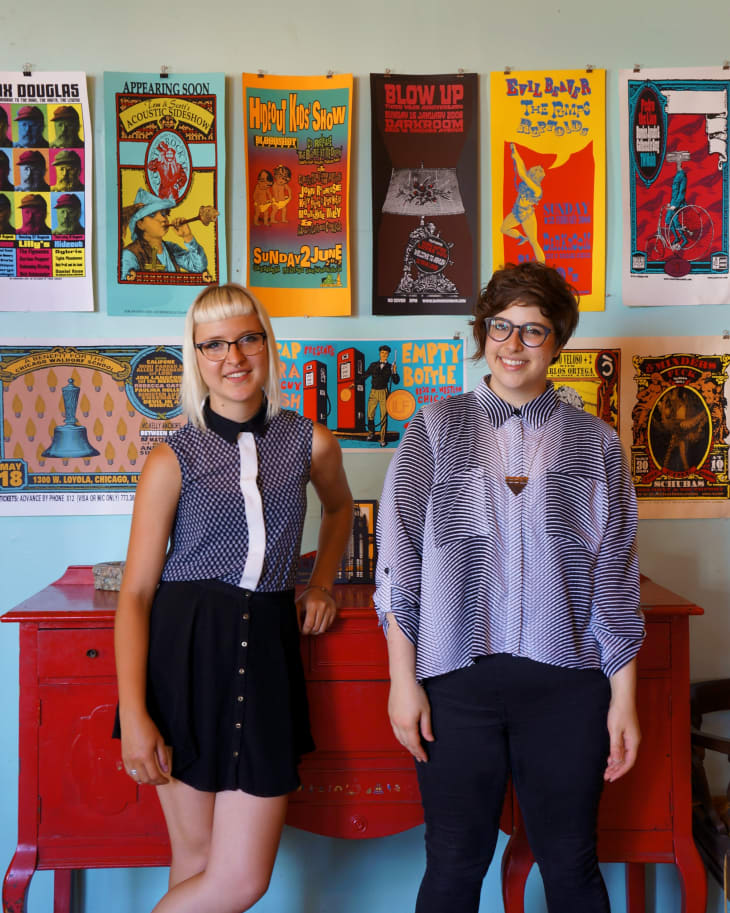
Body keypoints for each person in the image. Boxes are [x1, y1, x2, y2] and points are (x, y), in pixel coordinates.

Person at [375, 261, 644, 913]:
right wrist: (402, 680)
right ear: (481, 330)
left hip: (568, 687)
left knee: (572, 864)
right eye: (501, 326)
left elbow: (615, 582)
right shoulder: (435, 429)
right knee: (453, 865)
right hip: (455, 682)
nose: (513, 344)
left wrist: (623, 700)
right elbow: (398, 566)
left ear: (557, 342)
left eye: (533, 330)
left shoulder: (596, 444)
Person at [114, 282, 353, 913]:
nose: (234, 357)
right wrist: (134, 715)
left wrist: (323, 581)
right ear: (195, 356)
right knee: (195, 863)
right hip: (184, 659)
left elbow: (339, 510)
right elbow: (136, 593)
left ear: (267, 345)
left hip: (268, 651)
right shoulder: (172, 457)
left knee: (240, 880)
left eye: (247, 338)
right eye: (214, 344)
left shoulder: (309, 441)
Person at [121, 188, 207, 280]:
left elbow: (198, 267)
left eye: (163, 213)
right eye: (152, 214)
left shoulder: (171, 248)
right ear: (140, 224)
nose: (163, 219)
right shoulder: (130, 254)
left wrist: (187, 236)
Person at [501, 142, 546, 261]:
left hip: (527, 216)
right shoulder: (528, 181)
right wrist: (515, 153)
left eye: (538, 170)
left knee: (534, 242)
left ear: (539, 176)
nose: (535, 170)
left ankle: (543, 267)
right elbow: (522, 165)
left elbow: (522, 174)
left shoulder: (536, 189)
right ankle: (521, 237)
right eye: (536, 169)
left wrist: (515, 157)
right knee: (504, 229)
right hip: (516, 212)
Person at [362, 345, 400, 446]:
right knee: (370, 414)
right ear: (379, 353)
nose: (384, 355)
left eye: (386, 353)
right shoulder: (373, 365)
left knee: (383, 416)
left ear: (388, 355)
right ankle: (371, 433)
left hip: (384, 392)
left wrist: (394, 371)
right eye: (382, 353)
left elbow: (396, 381)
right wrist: (355, 383)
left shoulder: (390, 367)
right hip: (373, 392)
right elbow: (365, 375)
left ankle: (382, 439)